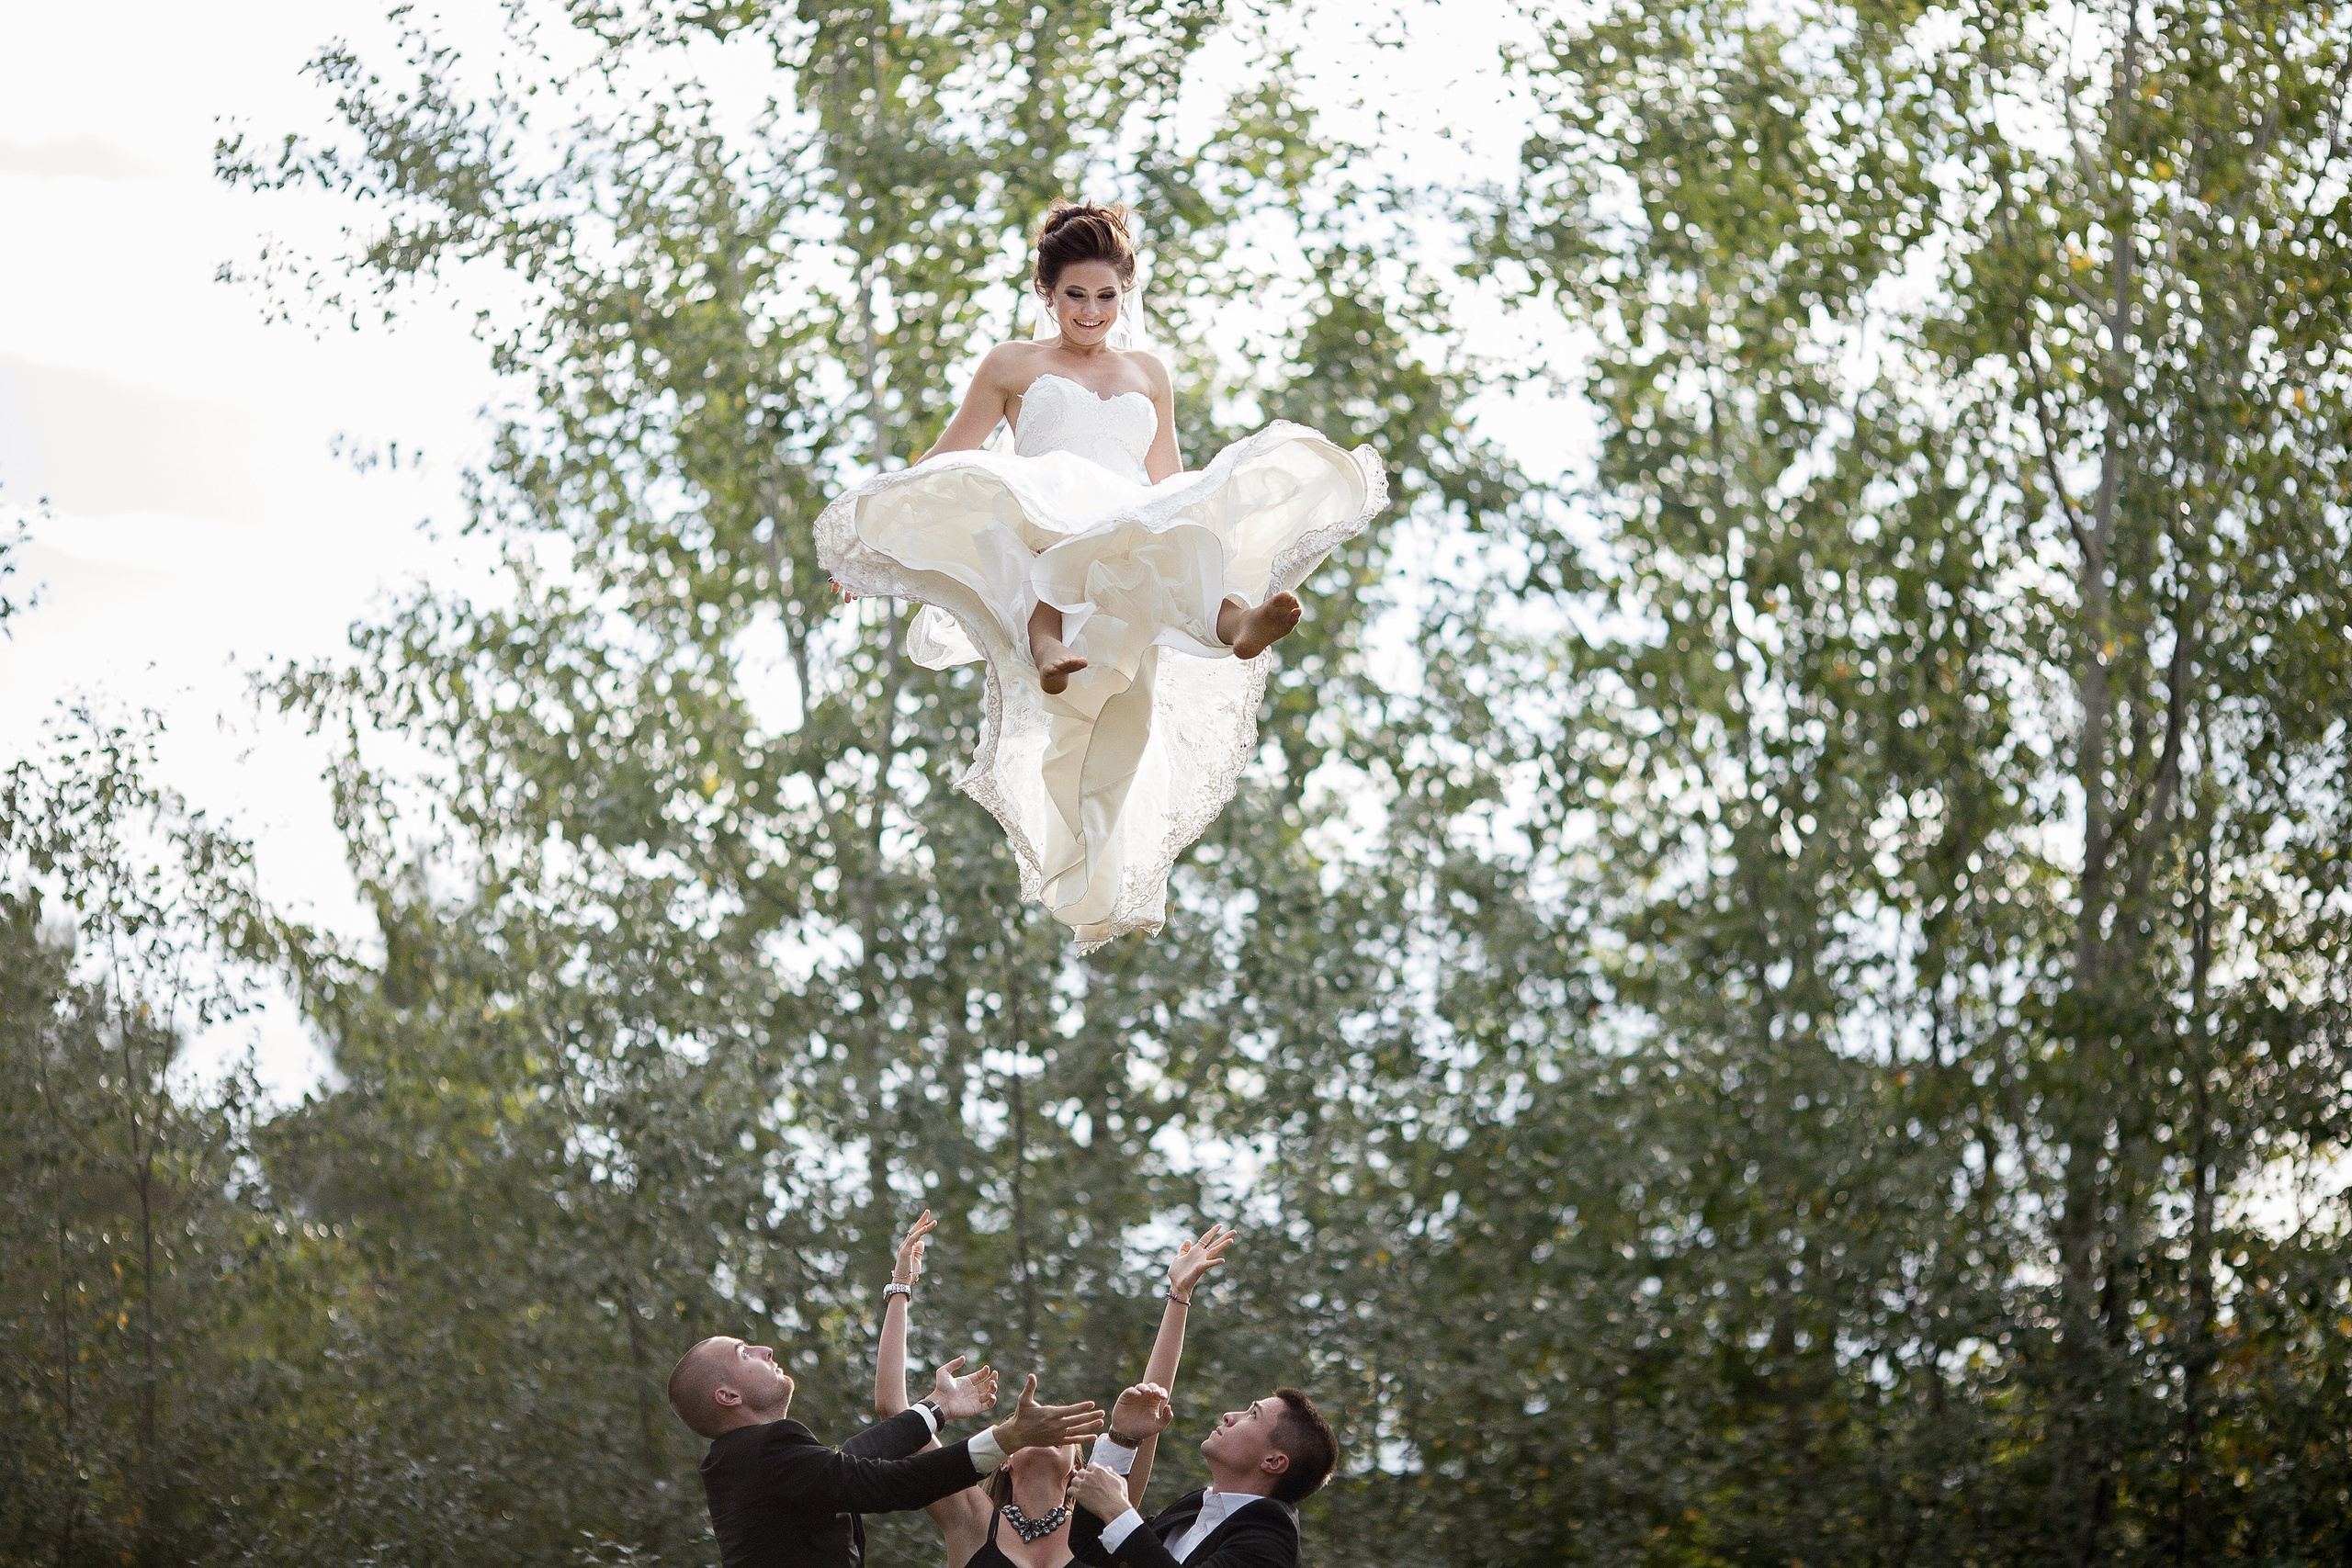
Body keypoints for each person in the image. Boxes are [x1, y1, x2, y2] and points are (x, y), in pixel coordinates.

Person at [814, 200, 1388, 952]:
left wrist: (1197, 519)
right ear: (1046, 294)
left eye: (1106, 295)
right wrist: (877, 545)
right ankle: (1046, 644)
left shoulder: (1147, 372)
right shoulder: (1013, 364)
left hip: (1125, 523)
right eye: (1075, 295)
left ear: (1127, 293)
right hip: (1044, 511)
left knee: (1174, 540)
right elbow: (949, 457)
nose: (1091, 311)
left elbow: (1168, 474)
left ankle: (1236, 624)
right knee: (1030, 538)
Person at [871, 1208, 1238, 1568]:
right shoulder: (970, 1517)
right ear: (1006, 1459)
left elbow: (1149, 1408)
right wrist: (900, 1285)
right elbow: (894, 1411)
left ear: (1076, 1467)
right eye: (1033, 1423)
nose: (1047, 1427)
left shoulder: (1101, 1519)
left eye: (1059, 1427)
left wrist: (1179, 1294)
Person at [666, 1331, 1104, 1568]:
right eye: (745, 1353)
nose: (765, 1349)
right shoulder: (766, 1452)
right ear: (727, 1396)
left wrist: (936, 1408)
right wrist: (1005, 1437)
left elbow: (855, 1459)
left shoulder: (747, 1459)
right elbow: (894, 1483)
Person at [1065, 1387, 1337, 1568]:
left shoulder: (1271, 1537)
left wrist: (1119, 1511)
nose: (1230, 1416)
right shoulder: (1194, 1507)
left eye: (1252, 1415)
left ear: (1274, 1462)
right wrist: (1122, 1439)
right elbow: (1091, 1545)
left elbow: (1133, 1542)